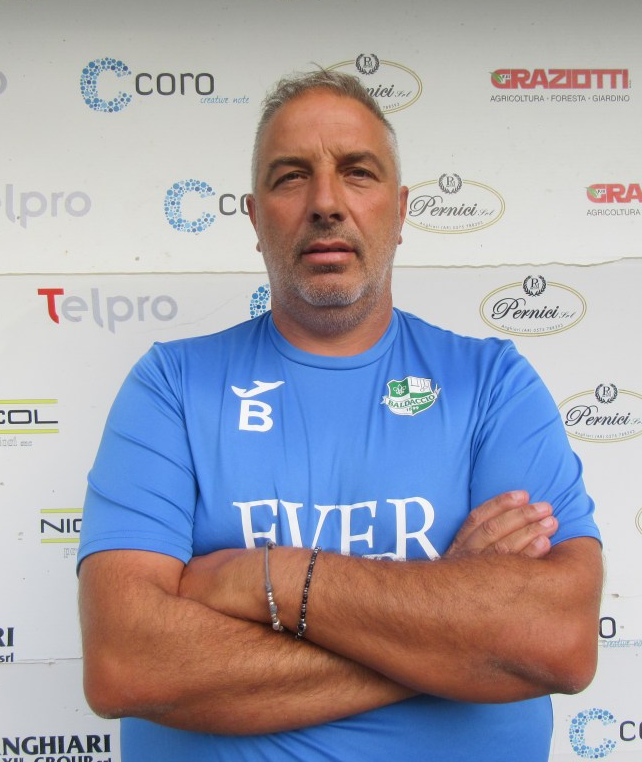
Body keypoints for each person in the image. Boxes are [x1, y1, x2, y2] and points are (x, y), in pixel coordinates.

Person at [77, 68, 603, 761]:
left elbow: (558, 640)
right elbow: (127, 662)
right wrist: (451, 634)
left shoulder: (492, 384)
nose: (325, 202)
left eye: (357, 172)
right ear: (254, 217)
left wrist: (270, 580)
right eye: (291, 177)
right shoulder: (172, 387)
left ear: (401, 211)